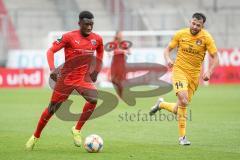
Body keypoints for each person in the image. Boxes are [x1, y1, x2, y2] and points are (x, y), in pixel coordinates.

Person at [25, 11, 104, 150]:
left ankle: (77, 129)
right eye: (86, 24)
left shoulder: (96, 39)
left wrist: (97, 70)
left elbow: (101, 51)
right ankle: (35, 136)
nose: (90, 27)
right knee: (52, 109)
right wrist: (52, 69)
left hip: (82, 78)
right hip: (66, 80)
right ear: (79, 23)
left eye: (91, 24)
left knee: (93, 99)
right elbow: (50, 51)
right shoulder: (69, 37)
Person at [149, 13, 219, 145]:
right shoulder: (180, 34)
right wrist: (168, 59)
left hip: (194, 76)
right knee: (184, 100)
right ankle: (182, 138)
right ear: (190, 21)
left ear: (202, 26)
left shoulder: (206, 37)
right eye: (193, 23)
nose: (195, 26)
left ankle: (161, 104)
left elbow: (216, 57)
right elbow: (167, 50)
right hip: (179, 71)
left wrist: (209, 71)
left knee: (179, 107)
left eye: (198, 25)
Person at [109, 31, 130, 98]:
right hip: (114, 62)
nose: (121, 35)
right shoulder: (113, 43)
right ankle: (120, 94)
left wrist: (122, 51)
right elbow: (109, 50)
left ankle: (120, 95)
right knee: (113, 79)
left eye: (122, 34)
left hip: (121, 62)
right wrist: (110, 53)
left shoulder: (124, 43)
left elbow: (129, 52)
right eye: (120, 34)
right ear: (117, 35)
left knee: (120, 79)